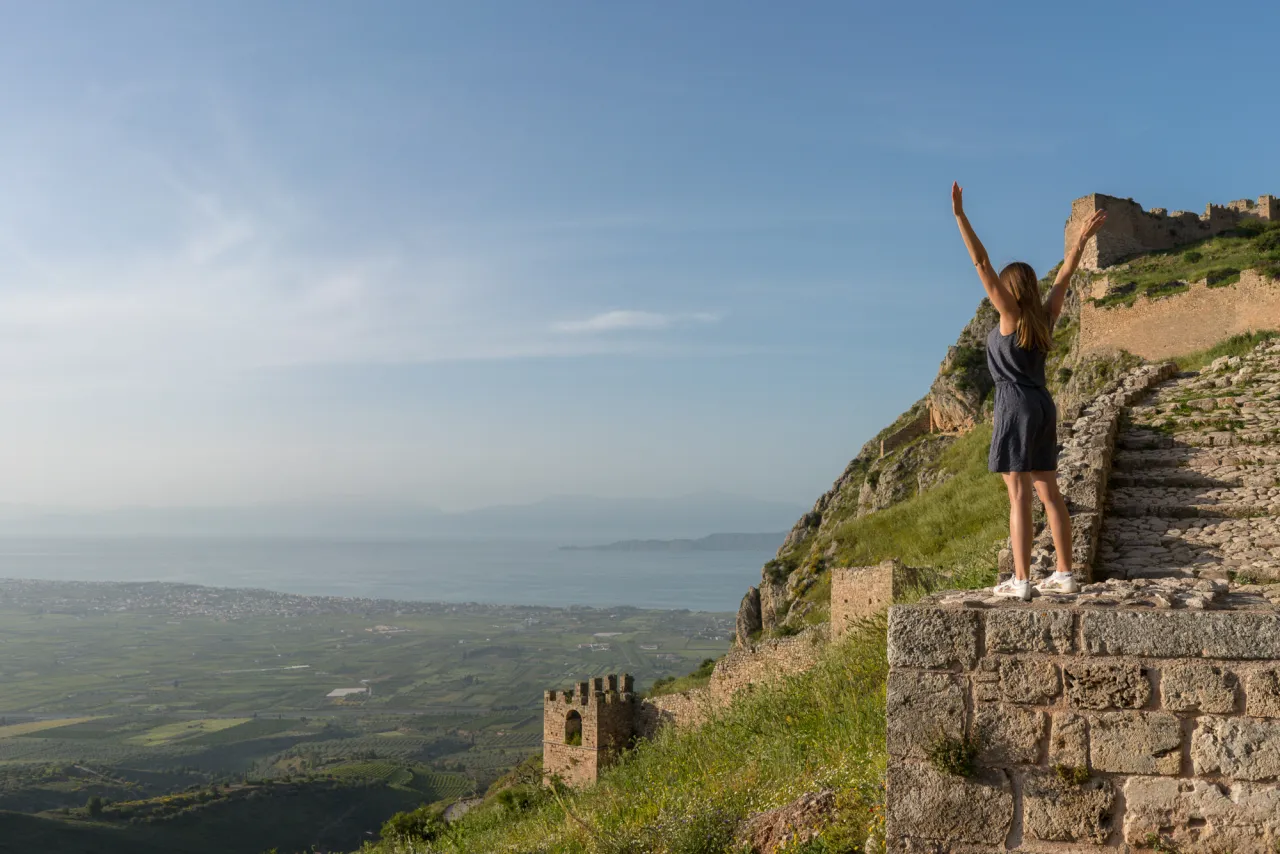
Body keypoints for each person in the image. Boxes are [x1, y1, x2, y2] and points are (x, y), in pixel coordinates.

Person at [951, 182, 1107, 601]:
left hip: (1015, 405)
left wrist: (961, 217)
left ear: (1010, 290)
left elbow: (982, 263)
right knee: (1049, 492)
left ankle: (1020, 580)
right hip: (1043, 404)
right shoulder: (1045, 317)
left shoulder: (1011, 316)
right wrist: (1080, 241)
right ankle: (1065, 572)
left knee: (1018, 494)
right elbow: (1066, 274)